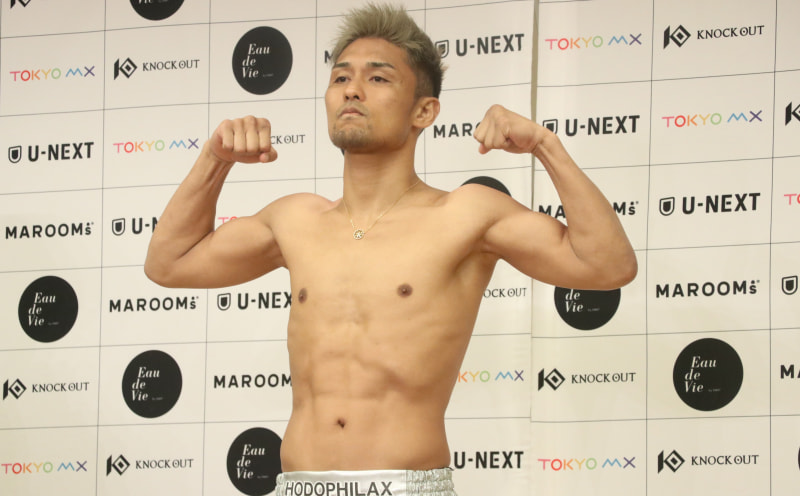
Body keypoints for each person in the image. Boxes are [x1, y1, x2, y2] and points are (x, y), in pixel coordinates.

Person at [144, 4, 637, 495]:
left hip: (404, 486)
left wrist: (545, 146)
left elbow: (607, 265)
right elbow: (169, 264)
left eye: (378, 79)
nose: (352, 90)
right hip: (300, 485)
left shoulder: (465, 214)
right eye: (341, 78)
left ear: (424, 111)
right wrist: (215, 159)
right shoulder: (295, 220)